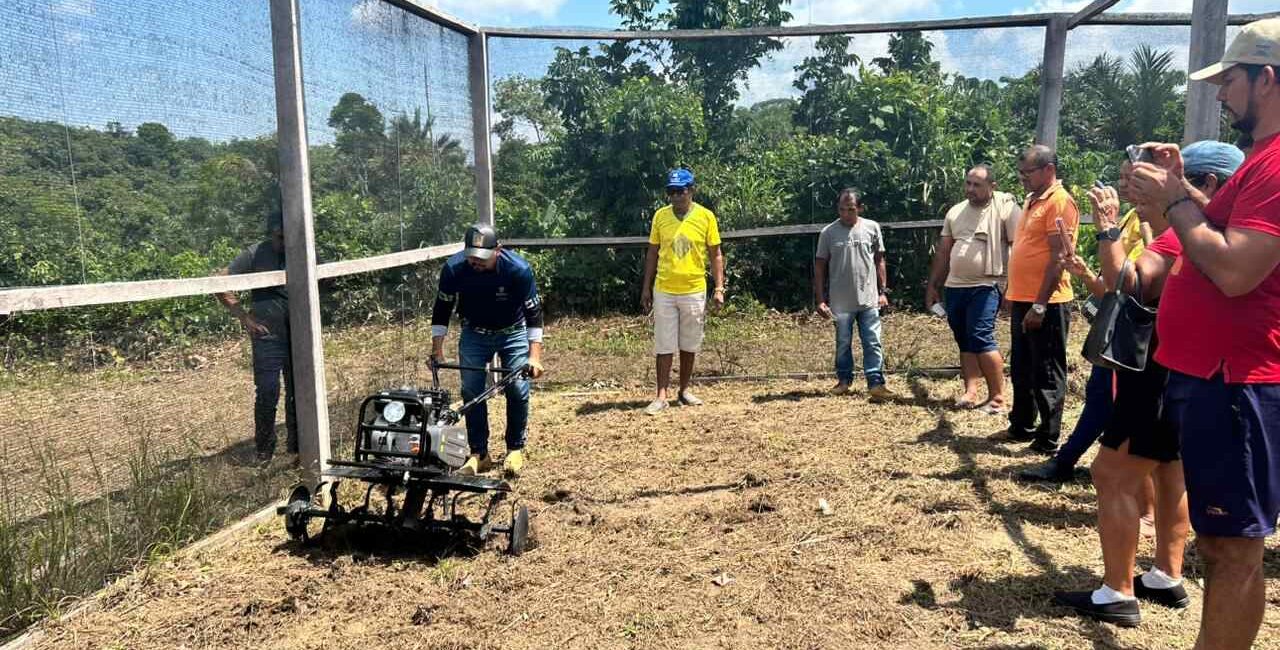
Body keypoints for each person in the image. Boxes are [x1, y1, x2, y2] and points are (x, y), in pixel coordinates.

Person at [1125, 19, 1280, 648]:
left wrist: (1172, 202)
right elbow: (1222, 225)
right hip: (1216, 378)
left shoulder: (1277, 164)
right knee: (1222, 542)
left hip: (1237, 380)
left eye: (1229, 80)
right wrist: (1181, 183)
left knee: (1233, 548)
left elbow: (1236, 269)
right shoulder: (1261, 161)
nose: (1220, 94)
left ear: (1265, 79)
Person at [1052, 141, 1244, 628]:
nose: (1139, 191)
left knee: (1112, 474)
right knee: (1169, 471)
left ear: (1204, 185)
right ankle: (1165, 574)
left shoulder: (1182, 237)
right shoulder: (1209, 236)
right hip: (1182, 375)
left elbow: (1128, 281)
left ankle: (1117, 592)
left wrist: (1107, 228)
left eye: (1152, 181)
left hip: (1153, 375)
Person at [1019, 159, 1151, 483]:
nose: (1122, 184)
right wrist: (1086, 274)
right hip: (1119, 324)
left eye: (1131, 177)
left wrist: (1109, 230)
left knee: (1106, 397)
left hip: (1136, 332)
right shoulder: (1132, 218)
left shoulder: (1151, 227)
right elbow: (1112, 288)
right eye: (1121, 176)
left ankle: (1069, 462)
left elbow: (1135, 287)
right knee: (1101, 395)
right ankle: (1072, 461)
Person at [431, 223, 545, 477]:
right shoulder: (453, 269)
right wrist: (437, 349)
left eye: (482, 257)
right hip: (474, 332)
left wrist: (534, 356)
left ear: (498, 250)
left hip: (513, 331)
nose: (476, 262)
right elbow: (442, 308)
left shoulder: (518, 269)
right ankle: (479, 454)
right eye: (472, 256)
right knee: (471, 391)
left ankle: (515, 448)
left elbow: (534, 313)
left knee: (517, 388)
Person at [1001, 145, 1078, 454]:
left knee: (1046, 370)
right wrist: (1013, 292)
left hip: (1047, 302)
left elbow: (1059, 258)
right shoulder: (1033, 199)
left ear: (1049, 170)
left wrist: (1039, 304)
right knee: (1022, 367)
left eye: (1028, 173)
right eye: (1020, 173)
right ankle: (1022, 425)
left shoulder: (1059, 201)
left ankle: (1048, 437)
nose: (1023, 178)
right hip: (1023, 298)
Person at [924, 165, 1019, 413]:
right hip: (955, 285)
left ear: (992, 186)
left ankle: (998, 397)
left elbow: (1018, 247)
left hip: (987, 284)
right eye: (968, 183)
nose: (970, 189)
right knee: (964, 338)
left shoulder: (1006, 208)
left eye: (977, 185)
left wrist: (1013, 286)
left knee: (980, 336)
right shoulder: (955, 211)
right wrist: (933, 285)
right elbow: (944, 251)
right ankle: (971, 391)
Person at [640, 168, 725, 416]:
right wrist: (646, 288)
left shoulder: (706, 217)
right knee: (664, 343)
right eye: (672, 192)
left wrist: (719, 287)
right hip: (665, 289)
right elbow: (652, 253)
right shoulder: (660, 216)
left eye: (681, 191)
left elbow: (715, 253)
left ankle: (684, 390)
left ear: (691, 191)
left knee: (689, 342)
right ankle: (661, 395)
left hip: (694, 288)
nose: (676, 196)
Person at [217, 208, 297, 464]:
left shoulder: (302, 250)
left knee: (299, 391)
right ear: (271, 233)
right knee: (268, 391)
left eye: (287, 236)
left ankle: (297, 447)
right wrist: (244, 317)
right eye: (279, 237)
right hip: (267, 336)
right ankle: (264, 450)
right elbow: (219, 282)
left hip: (299, 334)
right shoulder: (255, 253)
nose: (283, 242)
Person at [815, 188, 896, 401]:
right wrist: (820, 299)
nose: (846, 214)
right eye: (842, 209)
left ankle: (876, 383)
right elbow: (820, 266)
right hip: (840, 302)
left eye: (850, 209)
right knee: (843, 343)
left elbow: (879, 260)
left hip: (869, 298)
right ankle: (844, 381)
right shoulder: (828, 233)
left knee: (873, 341)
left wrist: (883, 291)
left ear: (860, 208)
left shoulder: (872, 227)